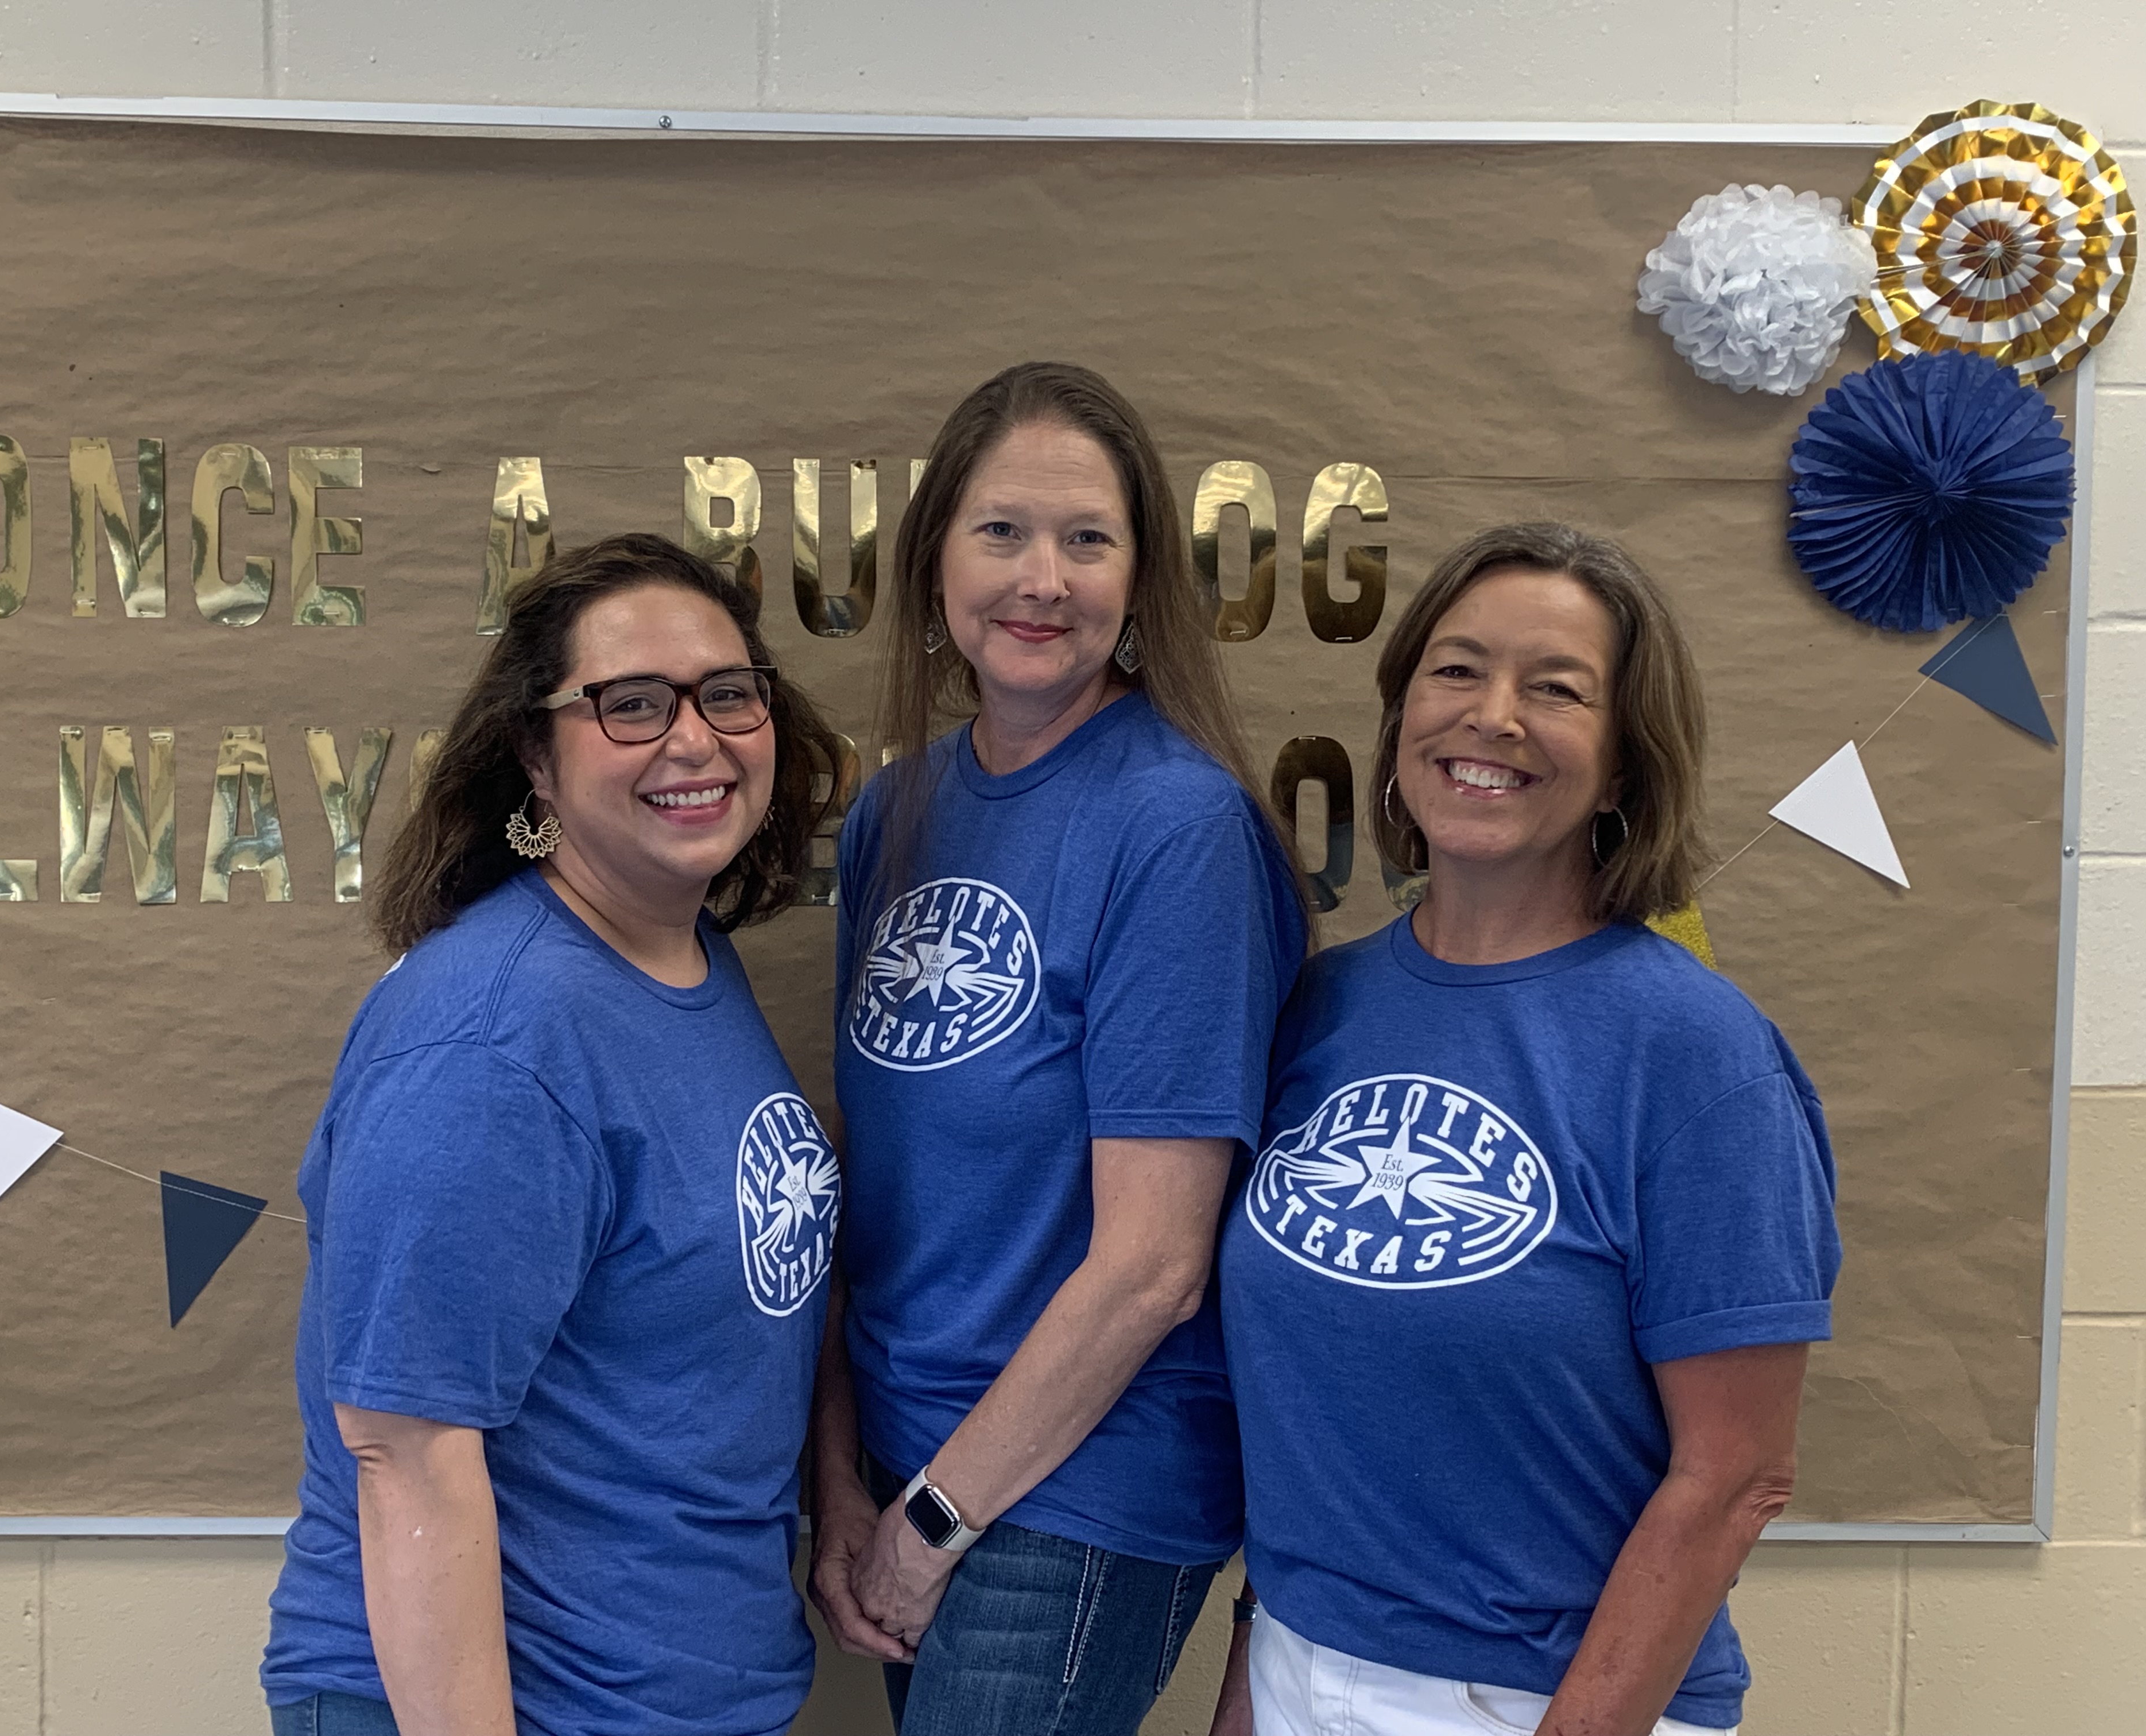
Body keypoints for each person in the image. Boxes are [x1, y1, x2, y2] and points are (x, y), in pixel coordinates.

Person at [1210, 523, 1842, 1736]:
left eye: (1554, 690)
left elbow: (1733, 1478)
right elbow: (1316, 1432)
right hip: (1301, 1673)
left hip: (1544, 1703)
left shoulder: (1698, 1054)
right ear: (1400, 721)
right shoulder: (1317, 1012)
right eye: (1456, 671)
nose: (1490, 717)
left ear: (1621, 766)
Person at [261, 534, 845, 1736]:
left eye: (729, 693)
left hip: (672, 1696)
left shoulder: (685, 961)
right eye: (629, 705)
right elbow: (405, 1448)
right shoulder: (492, 1040)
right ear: (535, 751)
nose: (695, 739)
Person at [805, 360, 1310, 1736]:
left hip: (1079, 1490)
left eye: (1088, 540)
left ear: (1139, 584)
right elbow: (876, 1182)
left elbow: (1153, 1264)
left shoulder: (1177, 829)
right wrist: (845, 1481)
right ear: (936, 566)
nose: (1044, 577)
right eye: (1003, 532)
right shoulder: (896, 812)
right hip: (914, 1458)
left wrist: (936, 1520)